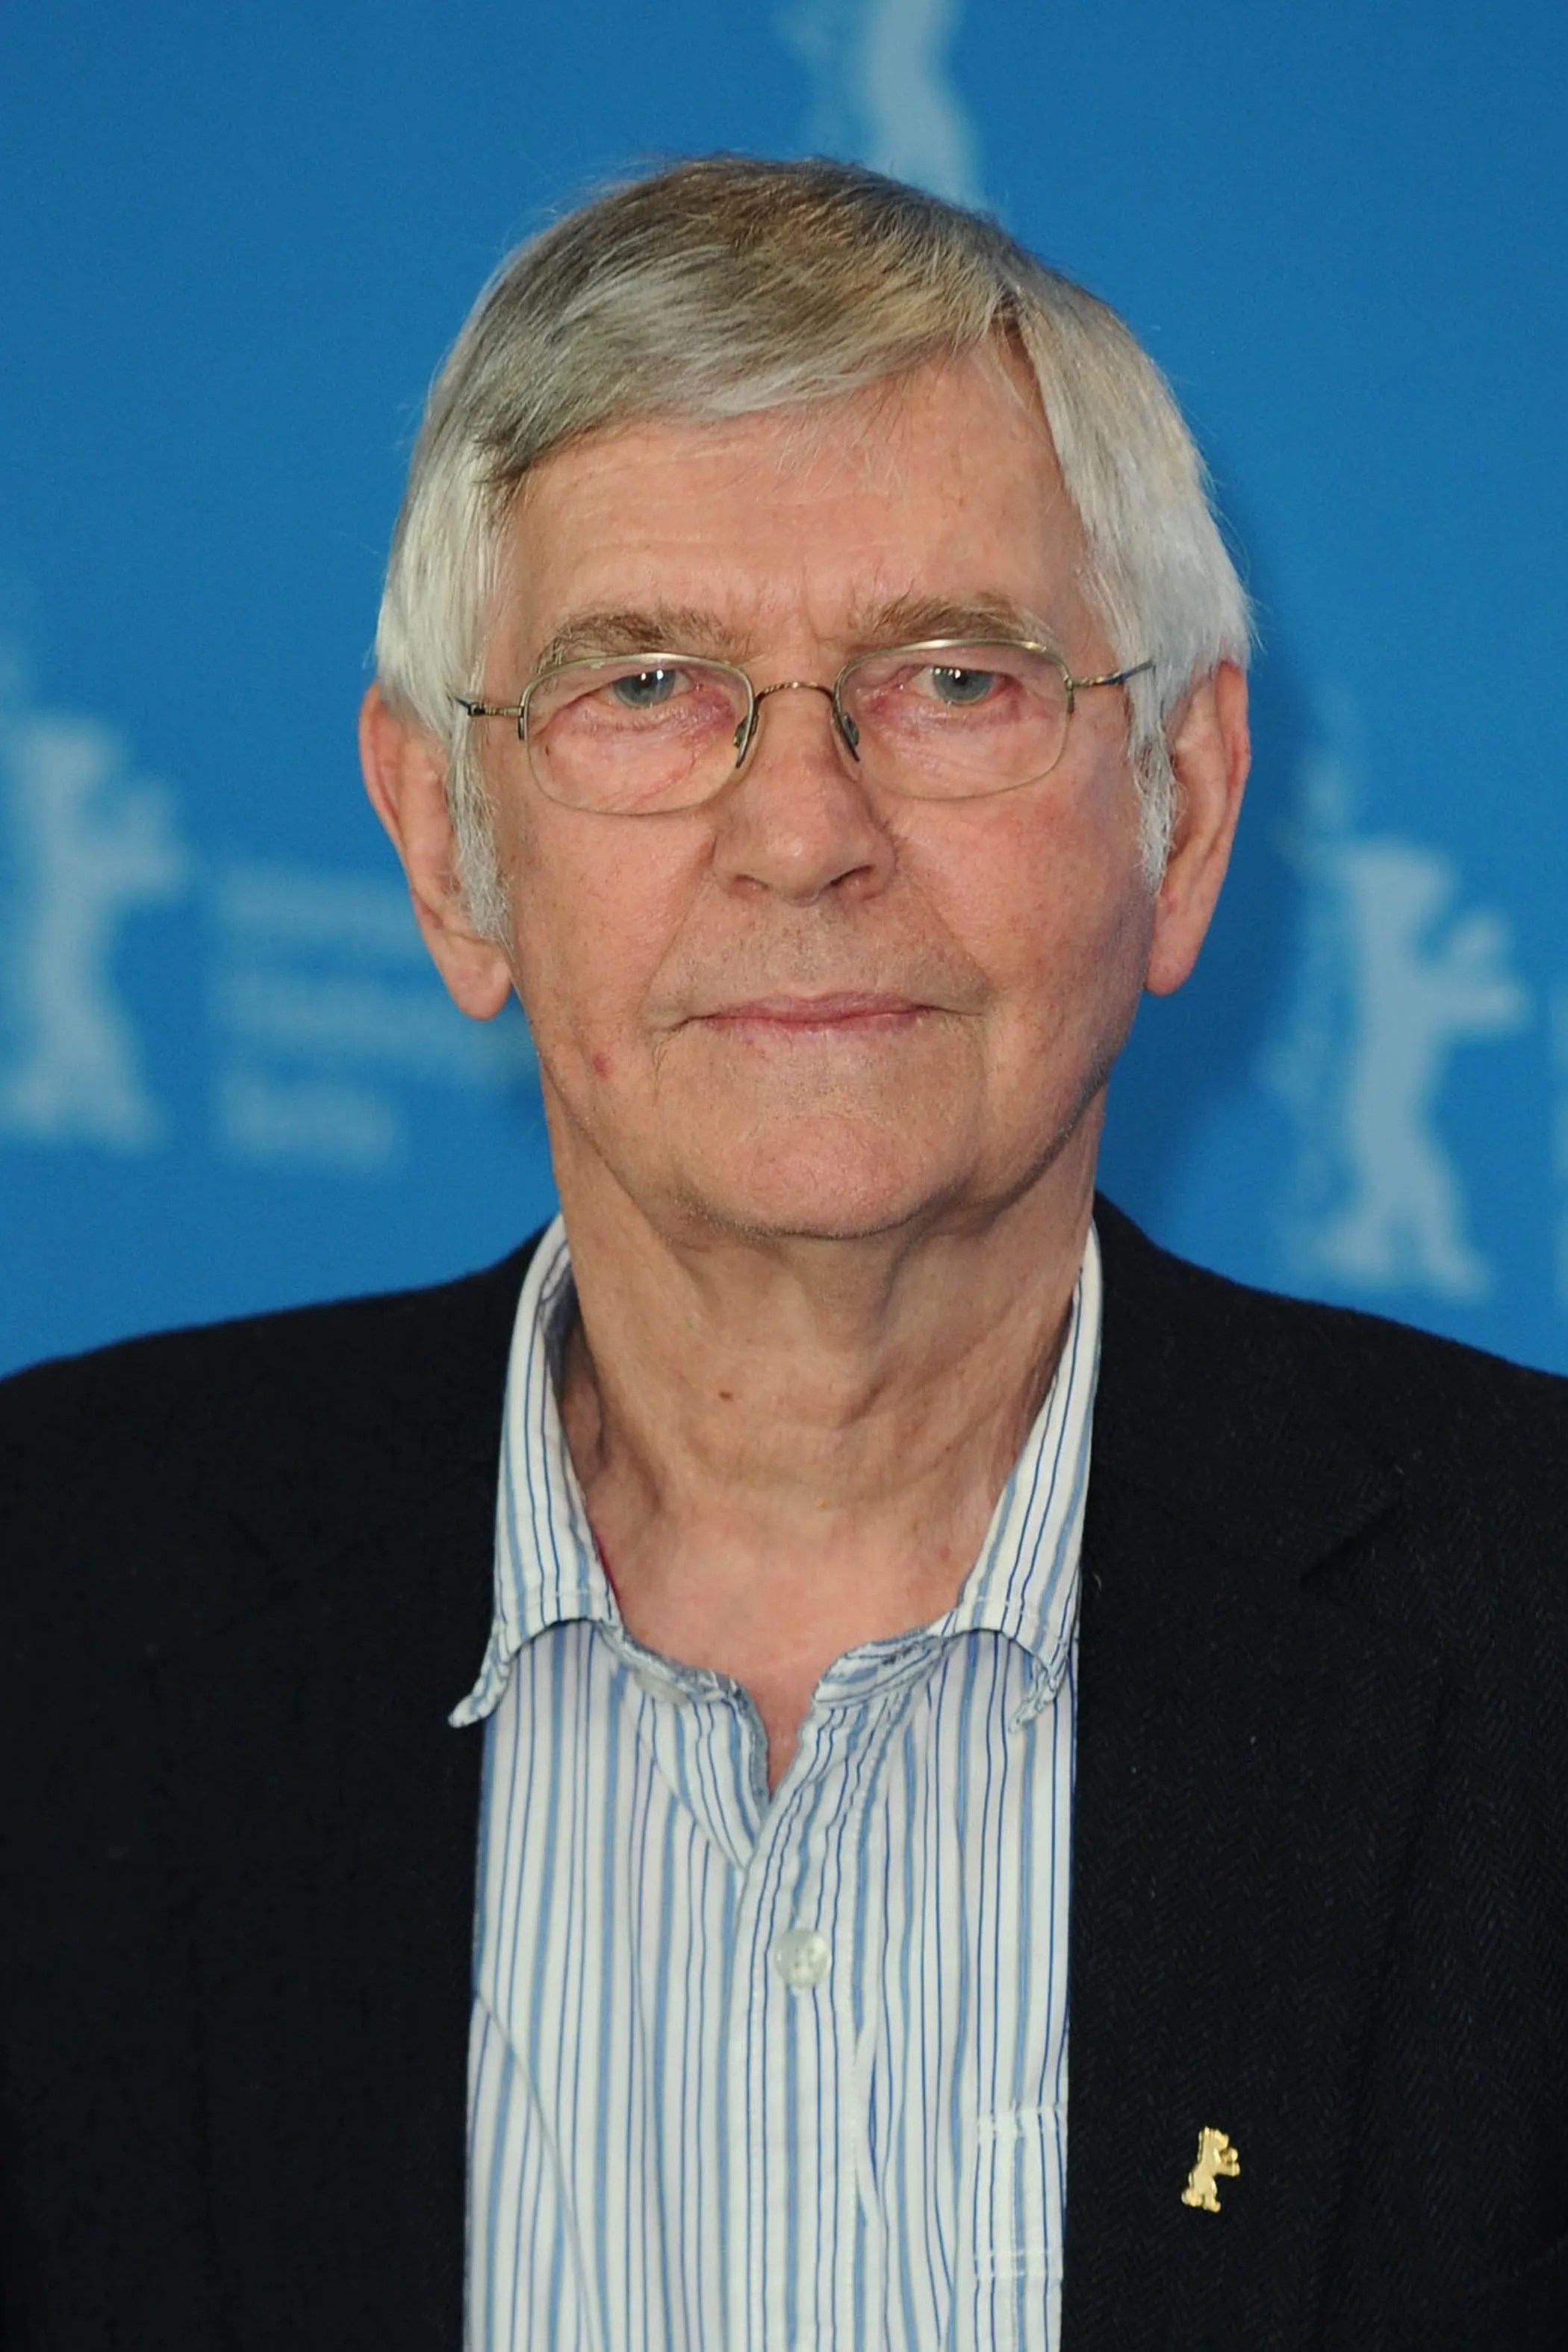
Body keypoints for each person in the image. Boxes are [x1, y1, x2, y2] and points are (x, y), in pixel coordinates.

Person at [2, 155, 1565, 2352]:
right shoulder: (50, 1616)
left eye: (949, 678)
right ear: (450, 851)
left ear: (1181, 813)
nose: (805, 825)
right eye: (643, 682)